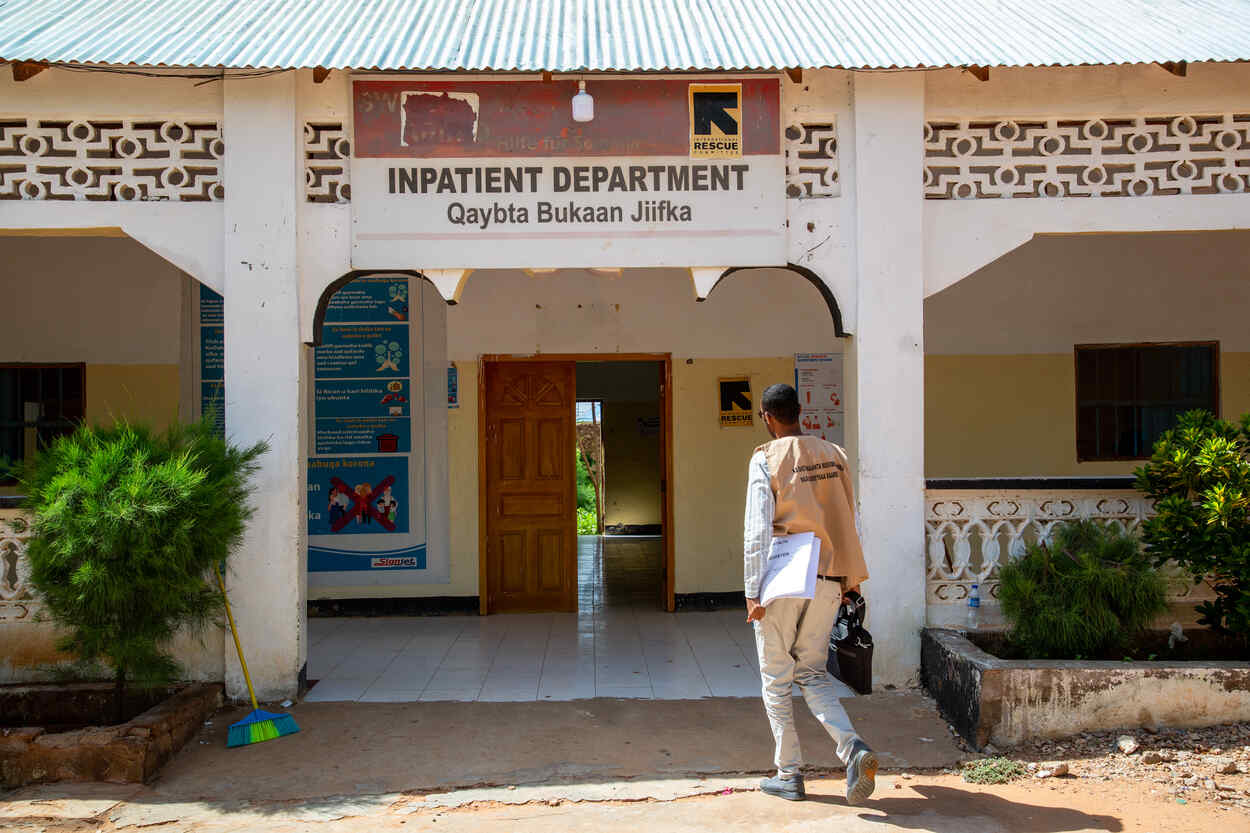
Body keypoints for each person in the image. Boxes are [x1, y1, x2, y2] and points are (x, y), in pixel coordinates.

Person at [743, 382, 878, 804]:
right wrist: (849, 580)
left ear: (767, 416)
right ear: (800, 412)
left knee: (776, 680)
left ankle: (789, 774)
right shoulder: (835, 455)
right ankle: (852, 748)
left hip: (783, 576)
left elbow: (757, 527)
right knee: (813, 674)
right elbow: (849, 517)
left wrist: (752, 590)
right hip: (827, 576)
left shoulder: (766, 457)